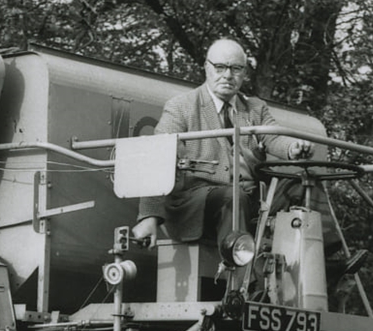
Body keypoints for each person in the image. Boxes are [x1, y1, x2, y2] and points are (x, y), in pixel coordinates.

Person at [131, 37, 314, 249]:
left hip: (249, 196)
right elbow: (157, 157)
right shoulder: (181, 107)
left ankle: (326, 258)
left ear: (244, 73)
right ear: (206, 68)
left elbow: (273, 137)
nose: (227, 75)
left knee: (305, 180)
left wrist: (293, 148)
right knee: (233, 196)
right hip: (199, 201)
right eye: (220, 67)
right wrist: (149, 216)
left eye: (236, 68)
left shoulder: (255, 108)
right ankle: (240, 275)